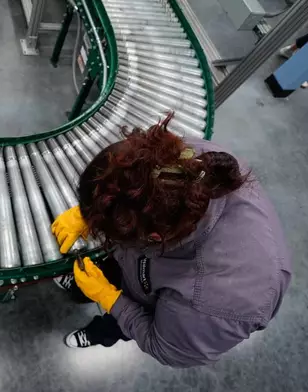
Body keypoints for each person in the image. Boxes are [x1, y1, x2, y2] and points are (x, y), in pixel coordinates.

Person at [51, 116, 291, 368]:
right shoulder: (186, 163)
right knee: (107, 271)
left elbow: (162, 346)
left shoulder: (219, 305)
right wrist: (92, 211)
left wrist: (110, 299)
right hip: (141, 263)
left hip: (157, 303)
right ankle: (82, 287)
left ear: (154, 238)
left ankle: (98, 334)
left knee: (117, 324)